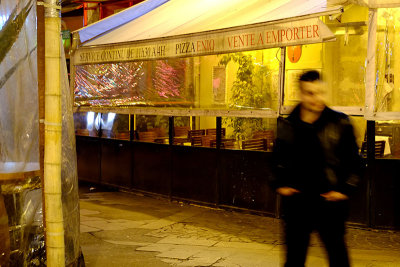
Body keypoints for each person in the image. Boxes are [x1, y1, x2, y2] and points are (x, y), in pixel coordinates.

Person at [271, 70, 361, 267]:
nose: (317, 98)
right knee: (294, 259)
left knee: (338, 257)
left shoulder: (340, 123)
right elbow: (277, 158)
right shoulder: (288, 124)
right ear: (301, 94)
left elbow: (354, 161)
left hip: (328, 202)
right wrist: (280, 184)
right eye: (310, 93)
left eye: (320, 92)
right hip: (297, 203)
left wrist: (344, 190)